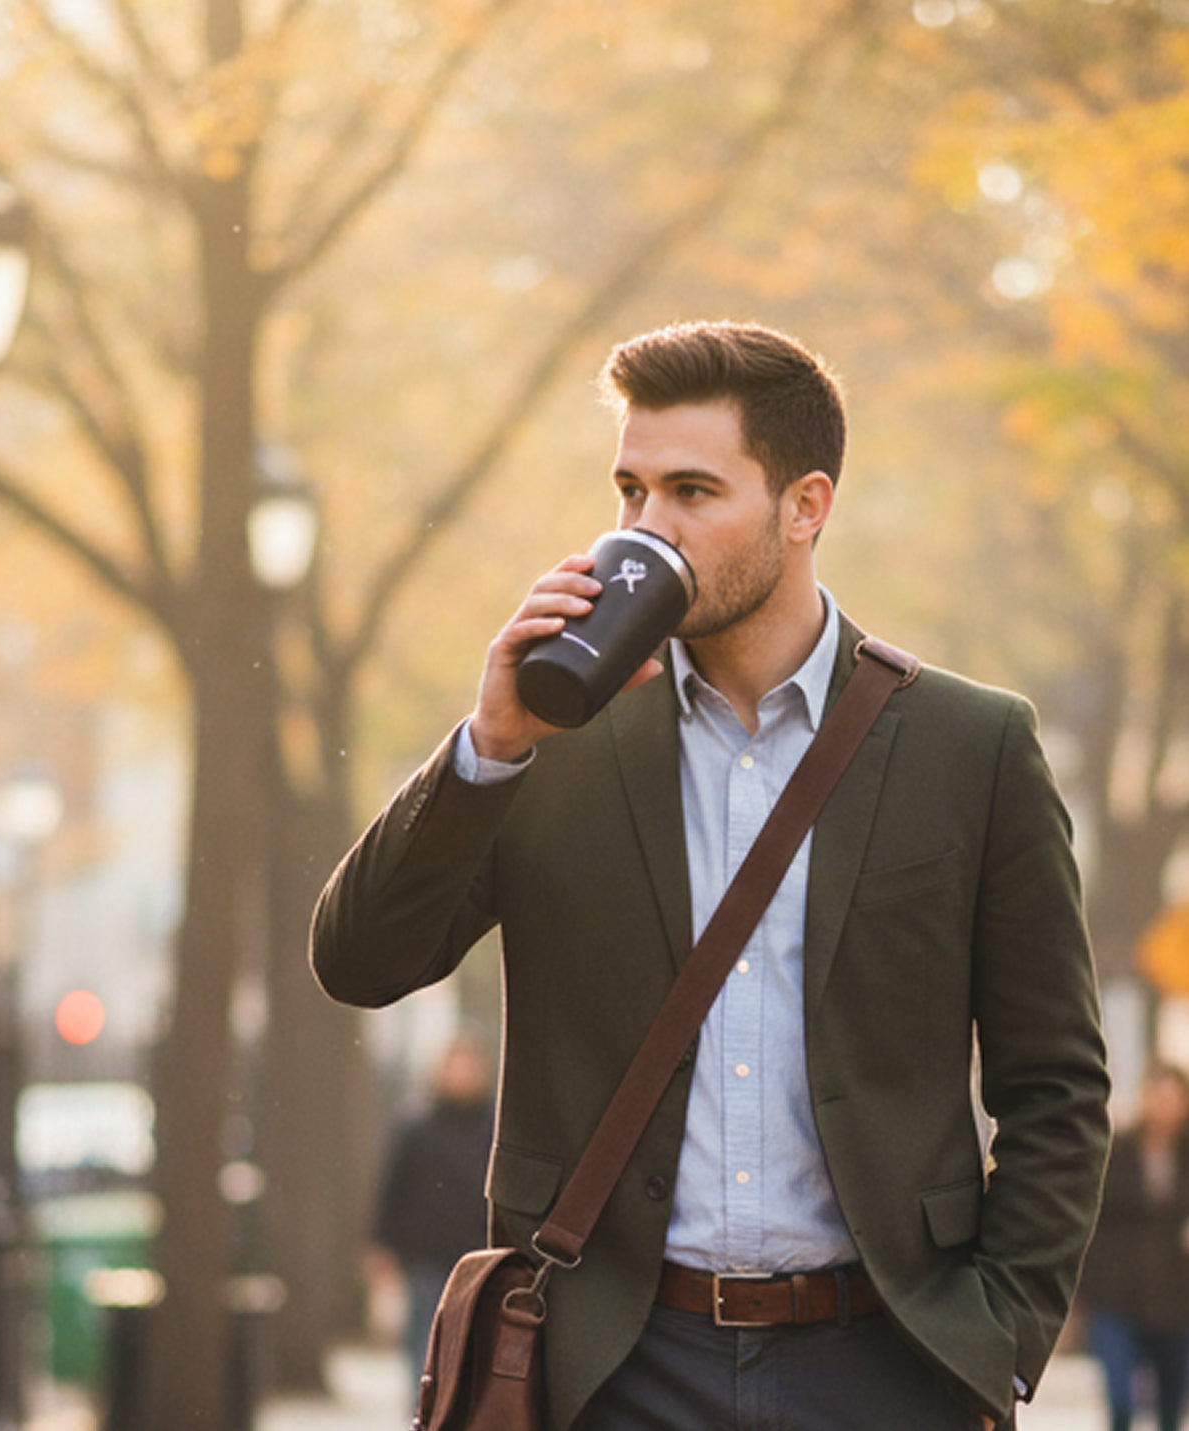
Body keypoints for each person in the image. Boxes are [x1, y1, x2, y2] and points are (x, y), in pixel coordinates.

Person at [310, 320, 1111, 1430]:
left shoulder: (967, 748)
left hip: (884, 1361)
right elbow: (359, 961)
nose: (647, 531)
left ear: (804, 506)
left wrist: (997, 1342)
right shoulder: (553, 739)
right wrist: (490, 744)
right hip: (613, 1365)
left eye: (691, 492)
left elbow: (1054, 1085)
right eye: (629, 492)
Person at [362, 1029, 495, 1383]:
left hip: (481, 1258)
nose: (463, 1073)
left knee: (475, 1351)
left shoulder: (496, 1129)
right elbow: (392, 1188)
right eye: (456, 1065)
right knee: (424, 1350)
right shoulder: (415, 1127)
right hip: (426, 1259)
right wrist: (380, 1247)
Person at [1079, 1062, 1189, 1431]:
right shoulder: (1117, 1151)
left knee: (1172, 1408)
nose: (1164, 1106)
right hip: (1116, 1296)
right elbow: (1087, 1218)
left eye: (1173, 1097)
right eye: (1157, 1095)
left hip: (1176, 1299)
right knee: (1121, 1401)